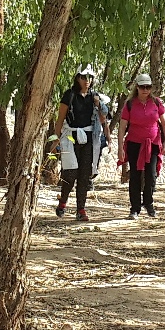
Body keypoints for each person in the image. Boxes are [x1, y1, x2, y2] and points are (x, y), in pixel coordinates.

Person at [55, 66, 104, 220]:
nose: (87, 81)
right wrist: (57, 140)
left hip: (88, 139)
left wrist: (99, 104)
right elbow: (60, 119)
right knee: (70, 173)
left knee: (84, 175)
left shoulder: (94, 97)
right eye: (84, 77)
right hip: (71, 137)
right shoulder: (69, 95)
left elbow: (103, 117)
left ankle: (81, 209)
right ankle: (63, 202)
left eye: (89, 77)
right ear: (77, 78)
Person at [119, 73, 165, 219]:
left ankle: (149, 203)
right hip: (134, 144)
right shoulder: (129, 104)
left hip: (152, 144)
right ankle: (134, 208)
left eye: (148, 87)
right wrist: (120, 147)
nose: (145, 90)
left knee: (151, 175)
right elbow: (122, 127)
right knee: (135, 175)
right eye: (142, 87)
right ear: (137, 87)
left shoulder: (157, 103)